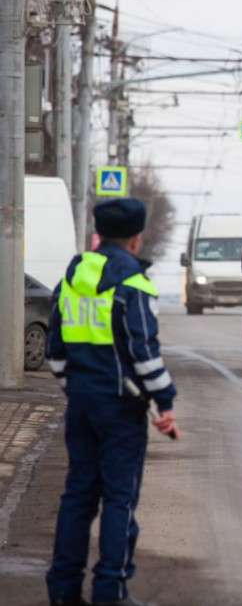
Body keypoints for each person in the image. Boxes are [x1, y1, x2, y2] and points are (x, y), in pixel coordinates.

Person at [45, 198, 179, 606]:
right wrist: (164, 401)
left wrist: (76, 388)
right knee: (119, 499)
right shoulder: (134, 285)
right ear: (136, 238)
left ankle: (63, 591)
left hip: (81, 404)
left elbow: (55, 353)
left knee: (77, 497)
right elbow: (145, 355)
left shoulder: (70, 280)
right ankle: (110, 591)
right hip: (121, 410)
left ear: (98, 234)